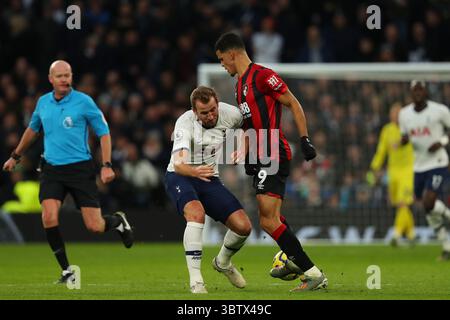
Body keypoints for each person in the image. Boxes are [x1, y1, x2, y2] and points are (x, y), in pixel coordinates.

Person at [2, 60, 134, 283]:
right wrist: (15, 156)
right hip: (52, 169)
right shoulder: (43, 102)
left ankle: (117, 222)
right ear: (50, 79)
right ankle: (67, 271)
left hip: (80, 169)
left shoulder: (84, 102)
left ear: (71, 77)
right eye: (60, 76)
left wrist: (107, 165)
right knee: (49, 216)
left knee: (94, 226)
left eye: (68, 75)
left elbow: (104, 132)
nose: (64, 79)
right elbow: (32, 130)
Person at [215, 32, 327, 291]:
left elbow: (293, 103)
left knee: (267, 220)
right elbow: (247, 124)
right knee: (271, 217)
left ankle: (309, 271)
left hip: (273, 150)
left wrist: (305, 138)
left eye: (222, 59)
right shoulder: (238, 85)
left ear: (233, 54)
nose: (222, 65)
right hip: (260, 153)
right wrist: (245, 150)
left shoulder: (263, 76)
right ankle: (299, 262)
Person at [165, 86, 252, 294]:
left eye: (213, 109)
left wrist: (244, 145)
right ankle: (196, 280)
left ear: (217, 103)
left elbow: (248, 125)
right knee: (196, 213)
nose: (211, 115)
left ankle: (222, 262)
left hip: (209, 178)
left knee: (243, 227)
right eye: (205, 112)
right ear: (195, 112)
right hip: (181, 175)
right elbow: (179, 165)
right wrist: (195, 172)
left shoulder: (230, 114)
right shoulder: (184, 123)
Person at [399, 80, 450, 261]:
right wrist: (403, 140)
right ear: (411, 93)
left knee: (429, 202)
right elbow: (405, 135)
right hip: (418, 166)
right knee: (427, 209)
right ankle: (446, 247)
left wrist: (442, 142)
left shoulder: (440, 111)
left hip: (438, 162)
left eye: (421, 89)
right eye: (415, 90)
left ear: (426, 91)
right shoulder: (404, 114)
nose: (418, 92)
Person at [368, 103, 416, 246]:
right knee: (400, 204)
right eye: (392, 112)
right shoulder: (387, 130)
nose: (394, 115)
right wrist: (375, 167)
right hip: (392, 171)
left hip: (408, 170)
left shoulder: (409, 128)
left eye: (397, 112)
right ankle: (411, 233)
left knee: (403, 202)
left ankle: (396, 233)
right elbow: (381, 150)